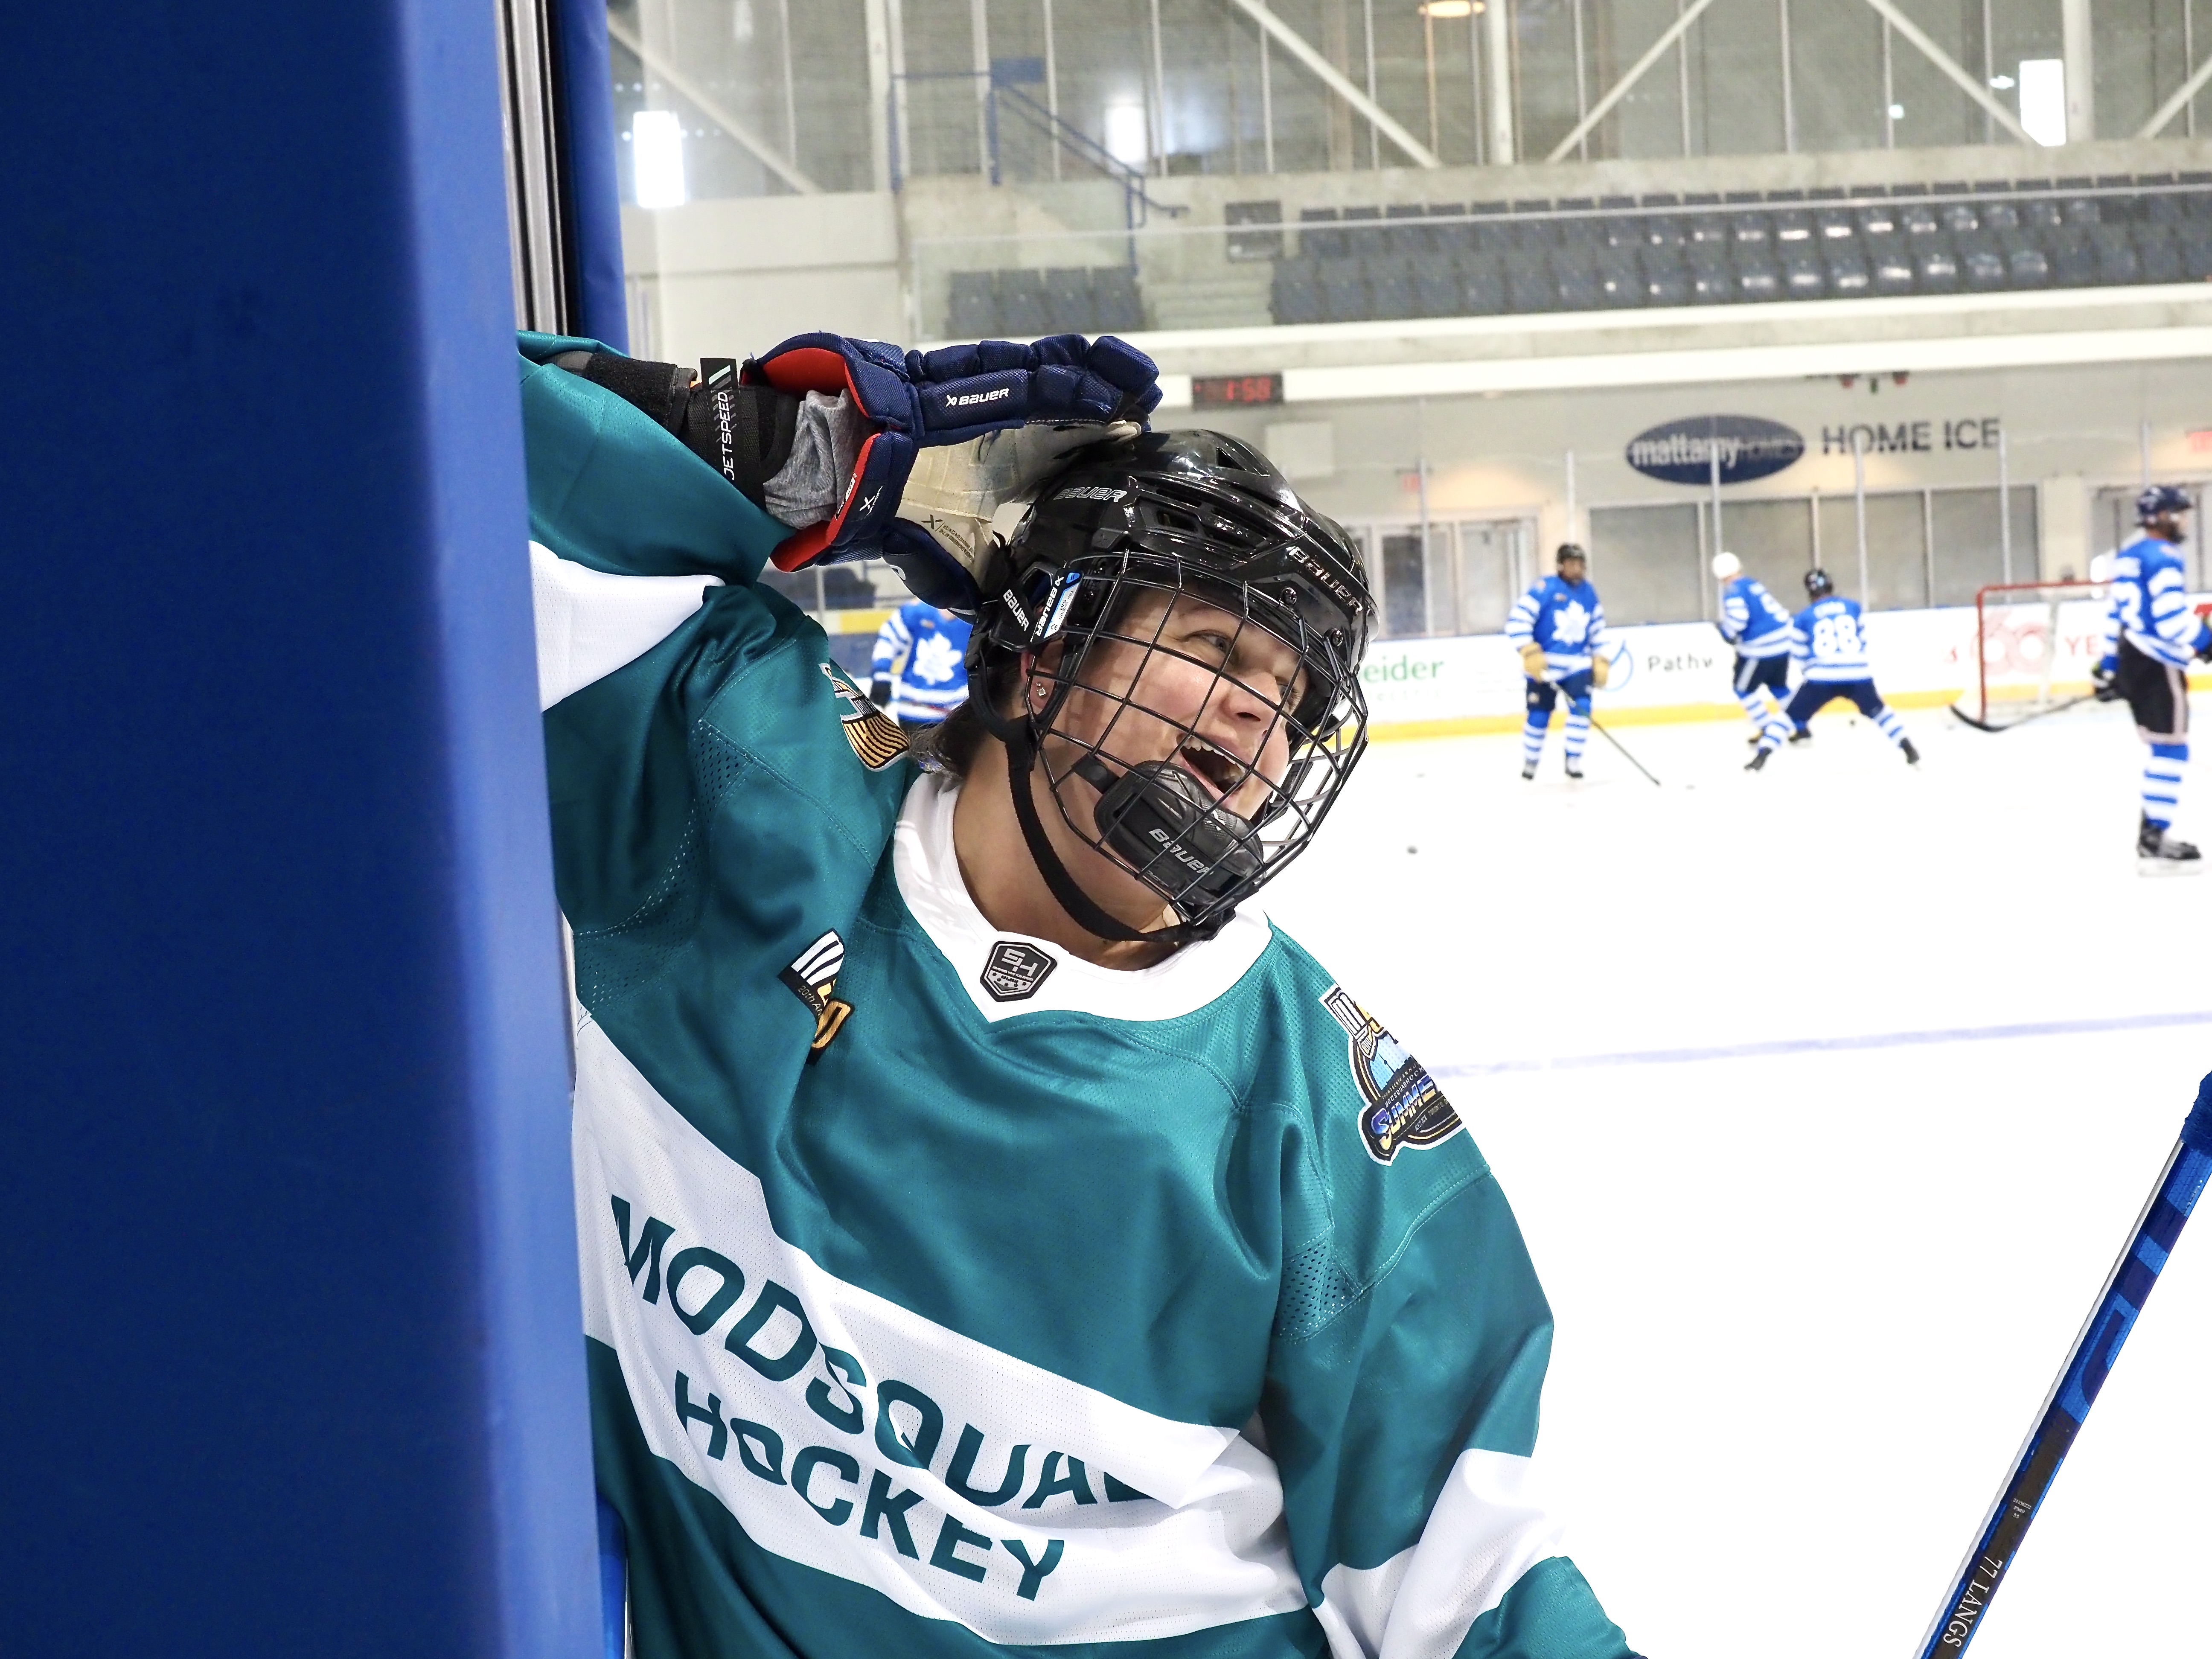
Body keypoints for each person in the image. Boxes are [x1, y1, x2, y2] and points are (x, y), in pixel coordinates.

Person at [518, 329, 1640, 1659]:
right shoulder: (743, 802)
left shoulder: (1325, 1124)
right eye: (1221, 650)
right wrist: (795, 451)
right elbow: (450, 461)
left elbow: (1478, 1578)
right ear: (1043, 649)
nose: (1261, 721)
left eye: (1292, 701)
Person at [2092, 484, 2212, 868]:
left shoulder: (2129, 556)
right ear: (2163, 516)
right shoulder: (2164, 557)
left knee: (2164, 748)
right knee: (2172, 750)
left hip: (2133, 658)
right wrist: (2206, 640)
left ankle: (2152, 833)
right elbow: (2170, 619)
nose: (2184, 521)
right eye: (2180, 514)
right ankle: (2154, 837)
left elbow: (2115, 616)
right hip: (2158, 665)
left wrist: (2108, 667)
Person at [1749, 568, 1920, 770]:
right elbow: (1862, 640)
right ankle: (1908, 747)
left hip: (1821, 677)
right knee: (1881, 713)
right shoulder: (1853, 607)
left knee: (1788, 717)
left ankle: (1761, 756)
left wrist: (1811, 673)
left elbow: (1799, 652)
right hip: (1858, 674)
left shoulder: (1803, 617)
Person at [1506, 543, 1609, 781]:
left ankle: (1573, 760)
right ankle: (1531, 761)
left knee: (1582, 709)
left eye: (1581, 564)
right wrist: (1529, 651)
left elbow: (1597, 629)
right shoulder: (1545, 588)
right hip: (1545, 667)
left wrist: (1601, 657)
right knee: (1539, 716)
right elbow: (1517, 620)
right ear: (1561, 566)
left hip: (1577, 665)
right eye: (1572, 564)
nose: (1577, 569)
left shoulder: (1588, 592)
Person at [1710, 550, 1794, 763]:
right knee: (1779, 687)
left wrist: (1725, 631)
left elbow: (1738, 620)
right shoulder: (1752, 584)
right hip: (1783, 643)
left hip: (1760, 648)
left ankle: (1767, 727)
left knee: (1743, 689)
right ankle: (1800, 725)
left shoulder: (1733, 590)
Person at [870, 600, 972, 728]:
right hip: (912, 710)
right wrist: (882, 676)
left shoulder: (975, 619)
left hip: (954, 714)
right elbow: (888, 640)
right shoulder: (917, 611)